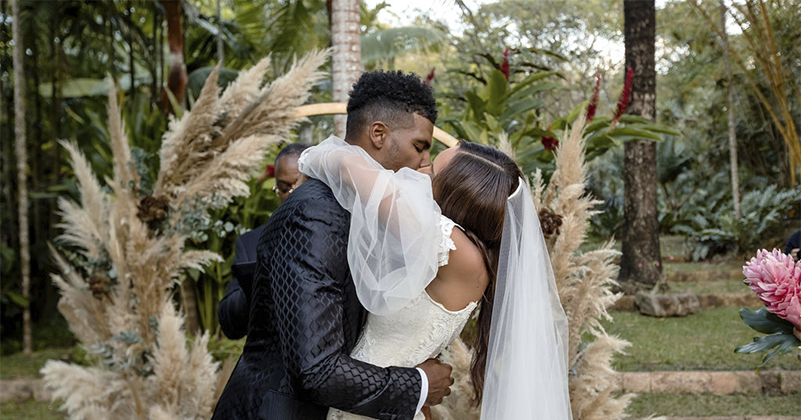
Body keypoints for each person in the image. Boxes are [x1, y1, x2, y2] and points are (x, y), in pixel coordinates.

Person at [212, 70, 453, 420]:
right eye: (419, 146)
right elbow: (316, 369)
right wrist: (418, 385)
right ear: (378, 134)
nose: (424, 162)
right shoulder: (315, 213)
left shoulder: (354, 207)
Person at [299, 136, 572, 420]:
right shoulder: (470, 258)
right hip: (382, 402)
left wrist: (307, 160)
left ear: (458, 195)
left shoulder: (451, 246)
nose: (419, 170)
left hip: (369, 405)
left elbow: (345, 166)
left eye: (431, 172)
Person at [219, 142, 310, 340]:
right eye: (285, 189)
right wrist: (259, 283)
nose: (293, 196)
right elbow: (230, 324)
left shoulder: (343, 234)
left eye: (303, 185)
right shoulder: (252, 244)